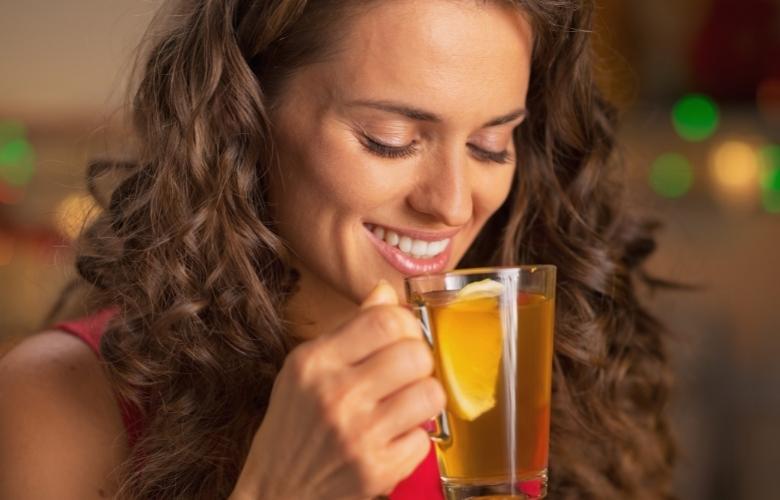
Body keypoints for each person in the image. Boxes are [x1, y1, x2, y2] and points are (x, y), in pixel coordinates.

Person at [0, 0, 676, 498]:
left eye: (490, 145)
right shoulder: (58, 404)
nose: (453, 203)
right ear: (245, 114)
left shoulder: (515, 372)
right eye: (389, 138)